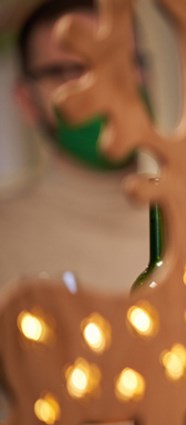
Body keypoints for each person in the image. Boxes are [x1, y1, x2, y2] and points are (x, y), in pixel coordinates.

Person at [0, 0, 147, 293]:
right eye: (73, 71)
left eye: (120, 63)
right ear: (27, 101)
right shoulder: (7, 236)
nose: (104, 87)